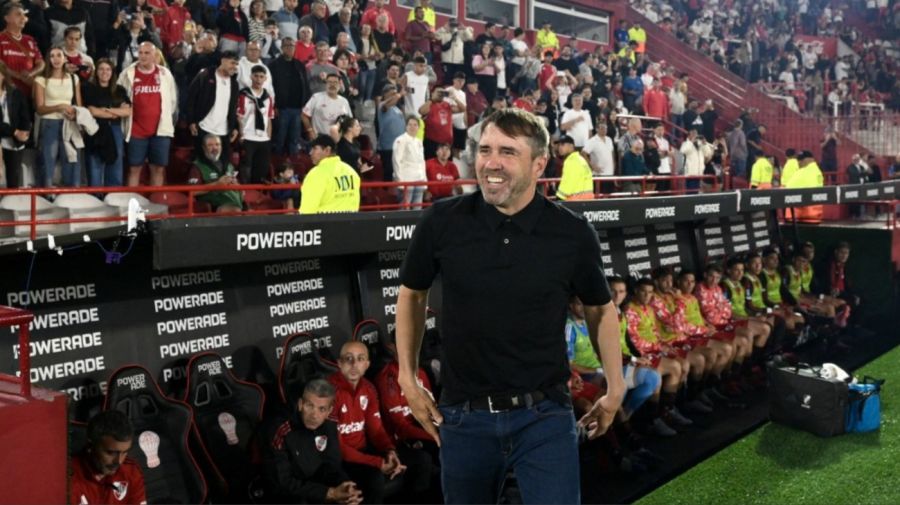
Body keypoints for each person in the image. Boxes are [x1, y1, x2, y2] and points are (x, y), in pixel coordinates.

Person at [393, 108, 625, 504]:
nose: (491, 163)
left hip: (545, 417)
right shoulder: (441, 221)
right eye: (484, 150)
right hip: (463, 417)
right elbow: (411, 295)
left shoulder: (570, 233)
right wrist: (406, 378)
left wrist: (616, 386)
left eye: (507, 152)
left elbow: (600, 308)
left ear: (539, 164)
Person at [261, 379, 363, 505]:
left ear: (329, 411)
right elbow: (282, 482)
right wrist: (329, 493)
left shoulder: (329, 423)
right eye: (309, 406)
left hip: (315, 486)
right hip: (287, 492)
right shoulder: (280, 428)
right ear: (300, 404)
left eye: (321, 409)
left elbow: (331, 465)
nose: (314, 415)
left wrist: (346, 488)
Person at [329, 341, 407, 505]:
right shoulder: (329, 391)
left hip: (363, 452)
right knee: (375, 478)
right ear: (339, 363)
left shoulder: (369, 389)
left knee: (420, 461)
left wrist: (389, 451)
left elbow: (376, 430)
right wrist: (378, 463)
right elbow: (338, 447)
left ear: (367, 364)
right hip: (339, 459)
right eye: (348, 358)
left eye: (360, 359)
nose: (354, 364)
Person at [117, 41, 177, 187]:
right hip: (136, 131)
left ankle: (155, 205)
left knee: (158, 169)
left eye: (147, 53)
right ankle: (132, 206)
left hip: (160, 131)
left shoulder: (165, 73)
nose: (142, 56)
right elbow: (118, 96)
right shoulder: (127, 73)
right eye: (141, 53)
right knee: (134, 169)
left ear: (154, 55)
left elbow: (172, 101)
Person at [70, 410, 147, 505]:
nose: (118, 461)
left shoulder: (130, 472)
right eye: (111, 453)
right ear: (90, 446)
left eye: (124, 452)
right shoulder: (67, 479)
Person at [34, 46, 82, 187]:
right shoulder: (41, 79)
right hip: (49, 123)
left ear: (65, 58)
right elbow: (40, 109)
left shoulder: (74, 78)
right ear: (48, 59)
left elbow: (79, 105)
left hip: (70, 124)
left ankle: (70, 198)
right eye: (52, 56)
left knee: (71, 163)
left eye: (59, 55)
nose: (56, 59)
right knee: (47, 164)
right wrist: (59, 106)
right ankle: (45, 198)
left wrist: (75, 115)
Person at [82, 59, 130, 188]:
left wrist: (108, 110)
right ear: (96, 72)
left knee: (116, 163)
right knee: (95, 163)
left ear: (112, 72)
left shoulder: (119, 90)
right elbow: (92, 111)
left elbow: (128, 111)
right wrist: (115, 113)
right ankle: (96, 197)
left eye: (108, 69)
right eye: (101, 69)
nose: (105, 72)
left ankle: (113, 195)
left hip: (114, 129)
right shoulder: (88, 88)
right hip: (95, 129)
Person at [188, 50, 240, 164]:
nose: (235, 67)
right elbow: (191, 98)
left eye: (236, 64)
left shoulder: (234, 84)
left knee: (223, 165)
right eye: (232, 63)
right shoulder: (205, 75)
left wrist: (234, 127)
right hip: (204, 128)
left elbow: (233, 108)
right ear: (223, 61)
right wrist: (191, 121)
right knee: (202, 165)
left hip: (224, 132)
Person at [269, 37, 311, 156]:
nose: (290, 48)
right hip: (282, 108)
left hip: (297, 108)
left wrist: (305, 105)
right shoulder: (274, 65)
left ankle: (294, 164)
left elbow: (305, 86)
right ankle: (278, 164)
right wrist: (274, 106)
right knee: (279, 138)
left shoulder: (299, 65)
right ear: (282, 48)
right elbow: (270, 87)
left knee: (295, 139)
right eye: (287, 46)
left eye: (292, 46)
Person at [299, 134, 360, 214]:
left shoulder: (316, 174)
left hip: (323, 224)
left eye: (314, 148)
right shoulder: (351, 172)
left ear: (327, 150)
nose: (311, 153)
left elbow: (307, 210)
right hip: (350, 223)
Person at [237, 64, 274, 183]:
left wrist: (268, 136)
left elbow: (268, 118)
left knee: (261, 169)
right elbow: (239, 116)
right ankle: (245, 194)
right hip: (248, 136)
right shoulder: (244, 94)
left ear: (265, 79)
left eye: (261, 77)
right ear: (251, 77)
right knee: (246, 168)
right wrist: (241, 134)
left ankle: (257, 195)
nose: (258, 79)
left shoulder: (268, 97)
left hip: (263, 139)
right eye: (256, 76)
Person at [188, 134, 243, 212]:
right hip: (216, 205)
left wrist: (237, 186)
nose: (214, 148)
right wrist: (217, 184)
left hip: (238, 202)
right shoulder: (197, 166)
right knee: (234, 211)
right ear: (204, 148)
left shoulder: (228, 164)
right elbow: (192, 191)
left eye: (217, 145)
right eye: (210, 145)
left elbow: (238, 185)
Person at [0, 2, 45, 97]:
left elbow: (41, 63)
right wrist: (19, 76)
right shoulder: (1, 38)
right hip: (8, 93)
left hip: (29, 93)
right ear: (7, 18)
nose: (23, 18)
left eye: (24, 15)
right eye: (18, 14)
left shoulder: (30, 40)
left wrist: (30, 73)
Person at [0, 61, 31, 188]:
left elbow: (25, 117)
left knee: (13, 181)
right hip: (6, 136)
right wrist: (14, 131)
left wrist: (24, 133)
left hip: (14, 141)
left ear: (3, 75)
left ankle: (11, 205)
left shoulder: (15, 93)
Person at [302, 73, 352, 138]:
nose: (332, 85)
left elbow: (349, 120)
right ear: (326, 84)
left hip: (338, 139)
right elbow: (304, 115)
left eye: (335, 82)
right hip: (319, 138)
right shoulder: (316, 97)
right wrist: (310, 131)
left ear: (339, 85)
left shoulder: (344, 101)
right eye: (330, 82)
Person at [392, 115, 426, 209]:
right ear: (406, 126)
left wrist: (424, 180)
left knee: (417, 208)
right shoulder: (400, 140)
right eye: (410, 124)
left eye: (415, 125)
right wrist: (400, 181)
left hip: (419, 179)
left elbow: (422, 162)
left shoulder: (419, 142)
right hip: (406, 179)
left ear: (418, 127)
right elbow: (396, 161)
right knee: (404, 208)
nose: (412, 127)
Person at [555, 135, 593, 201]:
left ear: (571, 146)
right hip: (586, 202)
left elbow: (567, 184)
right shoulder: (581, 159)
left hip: (574, 202)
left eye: (562, 144)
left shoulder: (571, 161)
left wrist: (558, 198)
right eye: (559, 145)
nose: (560, 147)